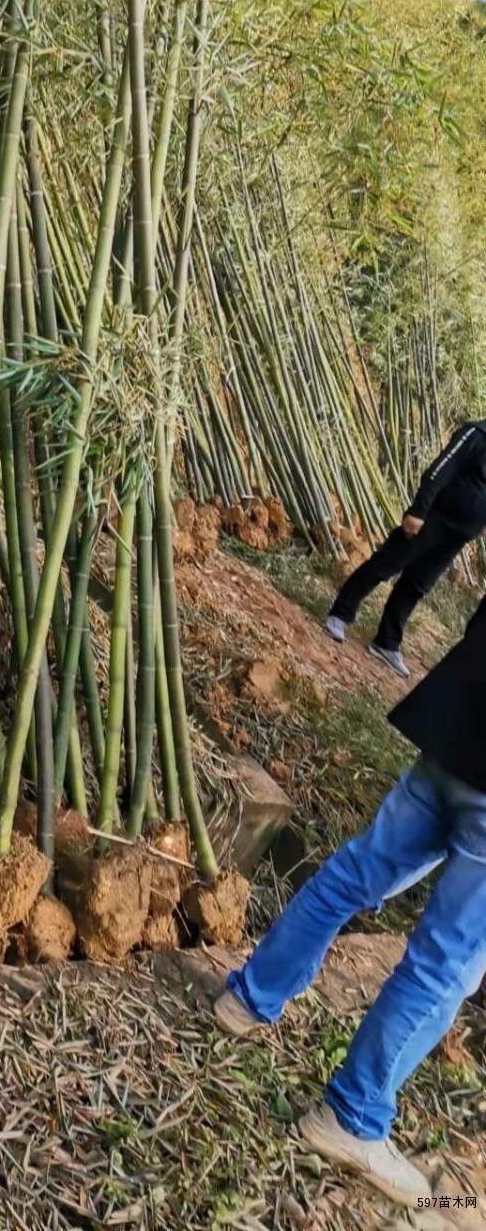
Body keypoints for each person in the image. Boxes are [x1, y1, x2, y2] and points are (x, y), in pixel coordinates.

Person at [214, 595, 486, 1205]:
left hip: (459, 727)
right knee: (447, 964)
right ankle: (354, 1116)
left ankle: (249, 1000)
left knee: (351, 876)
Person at [325, 420, 486, 679]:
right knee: (387, 563)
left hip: (457, 536)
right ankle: (340, 614)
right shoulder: (477, 434)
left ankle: (386, 642)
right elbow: (440, 470)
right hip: (434, 518)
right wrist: (418, 510)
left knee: (418, 584)